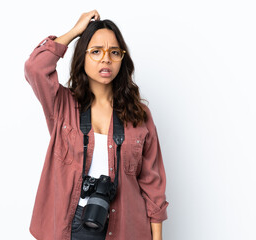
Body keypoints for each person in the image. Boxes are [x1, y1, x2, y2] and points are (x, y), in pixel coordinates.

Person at [24, 10, 169, 240]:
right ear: (83, 57)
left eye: (114, 52)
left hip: (126, 228)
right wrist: (75, 32)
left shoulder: (139, 115)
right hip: (73, 226)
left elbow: (153, 184)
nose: (106, 59)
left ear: (122, 58)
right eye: (96, 51)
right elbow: (35, 68)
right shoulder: (62, 105)